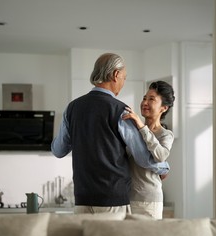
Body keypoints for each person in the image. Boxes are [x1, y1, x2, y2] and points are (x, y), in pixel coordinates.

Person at [51, 53, 169, 214]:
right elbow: (142, 158)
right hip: (112, 199)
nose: (123, 83)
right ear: (116, 74)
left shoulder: (72, 108)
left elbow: (58, 151)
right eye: (124, 78)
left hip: (82, 198)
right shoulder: (121, 111)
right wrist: (163, 167)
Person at [122, 81, 175, 219]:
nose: (145, 102)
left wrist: (141, 126)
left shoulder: (165, 134)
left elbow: (161, 156)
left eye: (151, 99)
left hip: (149, 201)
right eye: (144, 98)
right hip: (127, 198)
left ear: (163, 108)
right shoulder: (133, 131)